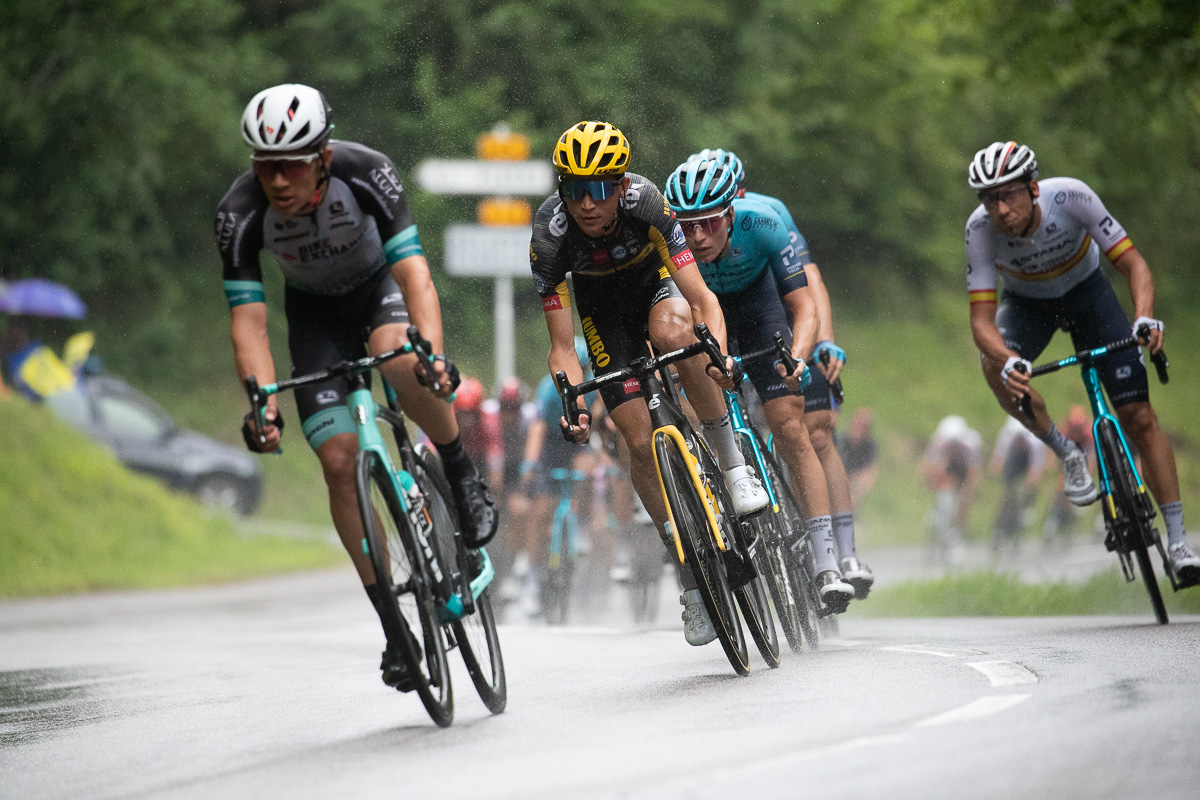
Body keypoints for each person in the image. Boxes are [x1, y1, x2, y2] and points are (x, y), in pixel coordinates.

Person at [215, 84, 498, 691]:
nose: (278, 180)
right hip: (314, 318)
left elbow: (413, 272)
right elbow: (250, 319)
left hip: (379, 293)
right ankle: (396, 631)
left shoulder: (366, 172)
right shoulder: (239, 212)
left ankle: (457, 470)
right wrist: (261, 404)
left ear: (321, 157)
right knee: (339, 461)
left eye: (291, 164)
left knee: (397, 360)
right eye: (265, 165)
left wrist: (433, 355)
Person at [529, 121, 768, 647]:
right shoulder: (550, 236)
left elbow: (703, 300)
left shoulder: (648, 206)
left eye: (596, 190)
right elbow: (564, 348)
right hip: (601, 313)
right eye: (572, 190)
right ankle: (689, 578)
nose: (585, 204)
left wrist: (720, 358)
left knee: (675, 332)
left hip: (653, 286)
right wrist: (573, 400)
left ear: (619, 186)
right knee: (638, 441)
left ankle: (732, 467)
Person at [965, 141, 1196, 584]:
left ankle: (1180, 543)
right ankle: (1065, 452)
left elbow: (1134, 264)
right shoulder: (979, 230)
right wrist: (1009, 360)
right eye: (989, 198)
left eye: (1008, 194)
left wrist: (1144, 315)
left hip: (1089, 294)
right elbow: (981, 322)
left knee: (1139, 417)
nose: (999, 209)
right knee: (992, 365)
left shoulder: (1072, 198)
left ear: (1033, 189)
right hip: (1028, 306)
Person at [664, 156, 855, 611]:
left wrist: (797, 357)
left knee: (791, 428)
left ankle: (827, 562)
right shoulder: (668, 242)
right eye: (688, 225)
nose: (698, 237)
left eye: (710, 223)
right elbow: (673, 316)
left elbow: (804, 305)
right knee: (692, 398)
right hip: (703, 313)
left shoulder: (764, 225)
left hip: (759, 309)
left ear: (732, 213)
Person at [922, 415, 983, 565]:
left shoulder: (970, 444)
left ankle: (957, 532)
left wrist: (968, 490)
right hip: (946, 466)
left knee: (965, 497)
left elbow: (973, 472)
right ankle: (940, 513)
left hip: (962, 467)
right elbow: (927, 467)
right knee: (942, 482)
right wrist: (931, 483)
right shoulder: (938, 442)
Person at [989, 415, 1047, 554]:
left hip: (1027, 461)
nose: (1019, 438)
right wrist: (997, 475)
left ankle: (1027, 509)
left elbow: (1035, 469)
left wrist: (1029, 486)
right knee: (1007, 494)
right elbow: (998, 460)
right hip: (1013, 460)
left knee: (1028, 491)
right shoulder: (1006, 436)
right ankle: (999, 531)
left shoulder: (1034, 440)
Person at [838, 407, 879, 510]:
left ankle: (852, 508)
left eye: (864, 425)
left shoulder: (869, 445)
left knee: (869, 475)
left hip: (854, 479)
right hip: (838, 474)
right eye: (859, 423)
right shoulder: (842, 439)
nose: (861, 427)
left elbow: (869, 467)